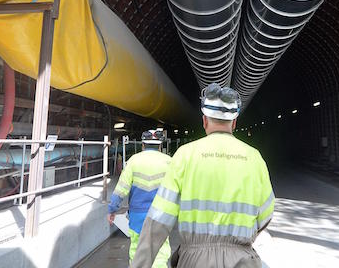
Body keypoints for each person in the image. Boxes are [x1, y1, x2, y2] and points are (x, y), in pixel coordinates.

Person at [131, 83, 275, 268]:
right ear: (234, 122)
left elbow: (159, 219)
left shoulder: (185, 155)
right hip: (241, 260)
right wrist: (240, 241)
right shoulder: (254, 158)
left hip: (194, 260)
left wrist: (140, 265)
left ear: (205, 121)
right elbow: (266, 213)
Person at [108, 129, 172, 267]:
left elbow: (121, 189)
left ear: (143, 145)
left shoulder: (134, 161)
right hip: (161, 215)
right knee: (160, 252)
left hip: (137, 215)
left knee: (137, 251)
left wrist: (112, 209)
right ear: (160, 146)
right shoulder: (169, 162)